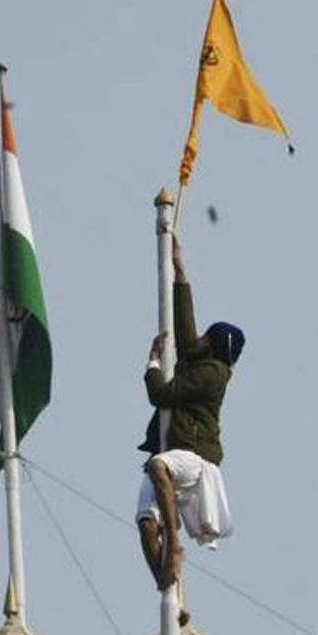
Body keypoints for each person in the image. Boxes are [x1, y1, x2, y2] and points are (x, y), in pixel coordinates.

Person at [136, 238, 244, 592]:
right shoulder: (199, 361)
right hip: (172, 449)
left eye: (203, 337)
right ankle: (166, 584)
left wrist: (153, 360)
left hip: (193, 457)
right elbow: (183, 328)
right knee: (146, 527)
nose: (195, 337)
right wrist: (179, 270)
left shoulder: (212, 374)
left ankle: (176, 543)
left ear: (212, 346)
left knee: (158, 467)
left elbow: (162, 394)